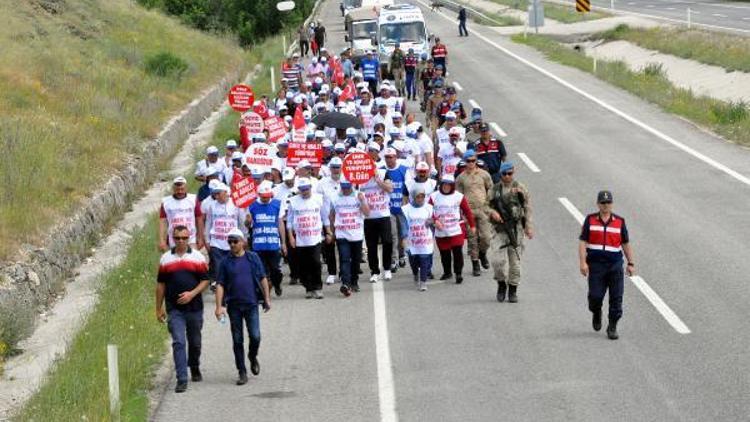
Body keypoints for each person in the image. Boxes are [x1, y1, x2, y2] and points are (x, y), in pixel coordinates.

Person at [156, 225, 209, 393]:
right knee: (179, 341)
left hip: (194, 307)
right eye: (177, 238)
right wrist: (158, 308)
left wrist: (192, 294)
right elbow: (161, 284)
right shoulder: (165, 259)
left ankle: (194, 365)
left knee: (195, 342)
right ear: (172, 238)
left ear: (189, 238)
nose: (180, 241)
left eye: (184, 238)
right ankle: (181, 378)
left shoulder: (198, 257)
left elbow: (205, 280)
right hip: (174, 308)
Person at [215, 229, 271, 386]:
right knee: (237, 339)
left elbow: (262, 278)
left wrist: (266, 298)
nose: (232, 244)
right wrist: (219, 306)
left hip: (251, 304)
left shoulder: (252, 258)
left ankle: (252, 356)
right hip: (234, 306)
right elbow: (220, 284)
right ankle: (242, 371)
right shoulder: (225, 263)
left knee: (255, 336)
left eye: (235, 241)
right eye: (230, 242)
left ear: (243, 242)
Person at [578, 190, 634, 340]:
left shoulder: (619, 222)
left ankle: (612, 325)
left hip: (615, 265)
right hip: (596, 266)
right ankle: (596, 312)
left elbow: (625, 243)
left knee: (617, 298)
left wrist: (631, 263)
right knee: (595, 297)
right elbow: (583, 242)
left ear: (612, 204)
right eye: (603, 202)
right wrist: (583, 262)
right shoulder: (590, 220)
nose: (605, 205)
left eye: (608, 202)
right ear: (598, 204)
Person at [487, 162, 533, 303]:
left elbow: (527, 207)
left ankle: (513, 289)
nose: (507, 177)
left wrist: (529, 226)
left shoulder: (520, 188)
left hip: (516, 229)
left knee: (515, 263)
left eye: (510, 174)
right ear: (500, 175)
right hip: (499, 229)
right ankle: (501, 284)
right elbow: (485, 206)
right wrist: (493, 212)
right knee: (497, 262)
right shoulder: (495, 190)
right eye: (504, 174)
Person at [286, 177, 332, 299]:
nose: (304, 192)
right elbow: (289, 221)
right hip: (300, 239)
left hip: (315, 237)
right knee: (303, 265)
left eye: (306, 189)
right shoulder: (293, 201)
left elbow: (324, 217)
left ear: (310, 188)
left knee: (316, 262)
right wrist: (291, 237)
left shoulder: (318, 199)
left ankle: (318, 287)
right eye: (302, 190)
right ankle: (308, 288)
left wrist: (328, 232)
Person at [430, 174, 475, 284]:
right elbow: (428, 211)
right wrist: (435, 220)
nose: (446, 186)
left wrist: (472, 225)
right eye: (444, 184)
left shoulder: (458, 196)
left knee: (457, 251)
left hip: (455, 228)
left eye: (448, 184)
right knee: (444, 253)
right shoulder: (434, 196)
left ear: (452, 185)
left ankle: (458, 273)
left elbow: (467, 211)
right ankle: (447, 272)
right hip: (441, 229)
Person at [456, 150, 493, 276]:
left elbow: (490, 190)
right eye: (468, 161)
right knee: (472, 238)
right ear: (465, 162)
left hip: (483, 209)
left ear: (476, 161)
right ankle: (475, 263)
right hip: (469, 211)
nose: (471, 163)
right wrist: (460, 213)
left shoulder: (484, 174)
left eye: (473, 160)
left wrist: (490, 207)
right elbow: (458, 196)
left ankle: (483, 253)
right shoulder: (461, 178)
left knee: (486, 237)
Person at [330, 178, 370, 296]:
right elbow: (331, 215)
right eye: (344, 187)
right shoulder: (335, 198)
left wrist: (362, 201)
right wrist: (331, 232)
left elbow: (367, 213)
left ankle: (354, 281)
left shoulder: (359, 196)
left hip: (356, 234)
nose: (346, 190)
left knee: (356, 259)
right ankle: (346, 283)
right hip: (342, 233)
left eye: (348, 187)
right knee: (344, 258)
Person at [201, 183, 244, 289]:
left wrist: (244, 238)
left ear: (226, 193)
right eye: (215, 194)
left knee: (232, 265)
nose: (216, 196)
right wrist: (207, 240)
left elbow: (241, 222)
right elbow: (208, 223)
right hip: (216, 242)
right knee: (218, 265)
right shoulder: (212, 206)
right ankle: (219, 285)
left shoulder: (236, 204)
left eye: (218, 193)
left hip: (232, 242)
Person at [247, 181, 285, 297]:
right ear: (259, 195)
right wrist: (247, 222)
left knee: (275, 270)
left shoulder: (277, 204)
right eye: (263, 197)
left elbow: (280, 223)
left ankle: (277, 284)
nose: (266, 199)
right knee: (261, 271)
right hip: (258, 244)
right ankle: (264, 293)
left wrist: (283, 243)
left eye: (268, 197)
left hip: (273, 244)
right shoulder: (252, 206)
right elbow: (248, 225)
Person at [361, 169, 394, 282]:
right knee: (371, 246)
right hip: (369, 217)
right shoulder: (360, 177)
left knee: (387, 241)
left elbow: (389, 188)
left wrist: (377, 180)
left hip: (383, 214)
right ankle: (374, 271)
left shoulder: (383, 173)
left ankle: (387, 268)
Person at [402, 186, 435, 291]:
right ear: (413, 197)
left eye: (422, 197)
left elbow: (433, 221)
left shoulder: (429, 207)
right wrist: (404, 237)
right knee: (413, 261)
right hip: (412, 240)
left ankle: (423, 282)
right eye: (418, 197)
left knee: (424, 259)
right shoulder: (406, 209)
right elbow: (403, 224)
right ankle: (415, 273)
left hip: (425, 239)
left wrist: (431, 222)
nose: (420, 199)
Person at [159, 177, 204, 251]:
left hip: (191, 238)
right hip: (174, 239)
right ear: (173, 189)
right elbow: (162, 221)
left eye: (182, 189)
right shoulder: (166, 202)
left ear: (186, 188)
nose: (180, 191)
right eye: (177, 189)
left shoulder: (193, 199)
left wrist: (200, 238)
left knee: (192, 260)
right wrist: (161, 240)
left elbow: (199, 219)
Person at [384, 148, 409, 271]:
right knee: (392, 234)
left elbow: (408, 188)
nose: (389, 159)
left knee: (402, 234)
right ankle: (393, 259)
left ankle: (402, 255)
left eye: (391, 157)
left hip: (402, 208)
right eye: (387, 157)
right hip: (388, 208)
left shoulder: (403, 170)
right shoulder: (382, 171)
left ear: (395, 157)